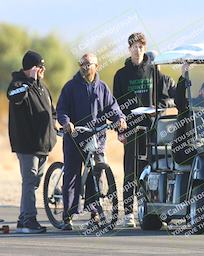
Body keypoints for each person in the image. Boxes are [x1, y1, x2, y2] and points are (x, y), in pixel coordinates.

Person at [57, 53, 126, 230]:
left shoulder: (102, 88)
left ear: (97, 66)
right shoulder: (71, 87)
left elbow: (113, 107)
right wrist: (66, 123)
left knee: (96, 174)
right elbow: (62, 109)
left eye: (89, 64)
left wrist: (120, 119)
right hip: (75, 137)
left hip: (97, 137)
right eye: (82, 64)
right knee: (72, 175)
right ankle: (68, 216)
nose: (85, 67)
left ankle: (95, 214)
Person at [113, 33, 176, 227]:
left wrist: (159, 109)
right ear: (129, 48)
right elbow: (115, 105)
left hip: (151, 128)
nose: (137, 49)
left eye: (141, 46)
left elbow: (167, 97)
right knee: (130, 170)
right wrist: (119, 130)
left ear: (144, 48)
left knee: (150, 169)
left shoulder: (154, 71)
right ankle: (128, 214)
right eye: (134, 46)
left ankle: (150, 212)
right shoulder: (121, 75)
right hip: (131, 127)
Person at [7, 50, 57, 233]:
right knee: (29, 181)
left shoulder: (42, 86)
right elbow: (15, 97)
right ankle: (28, 220)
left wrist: (56, 126)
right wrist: (29, 81)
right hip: (27, 144)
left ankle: (23, 219)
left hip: (43, 144)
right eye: (40, 67)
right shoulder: (18, 84)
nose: (43, 70)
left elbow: (51, 111)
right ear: (32, 68)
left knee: (34, 182)